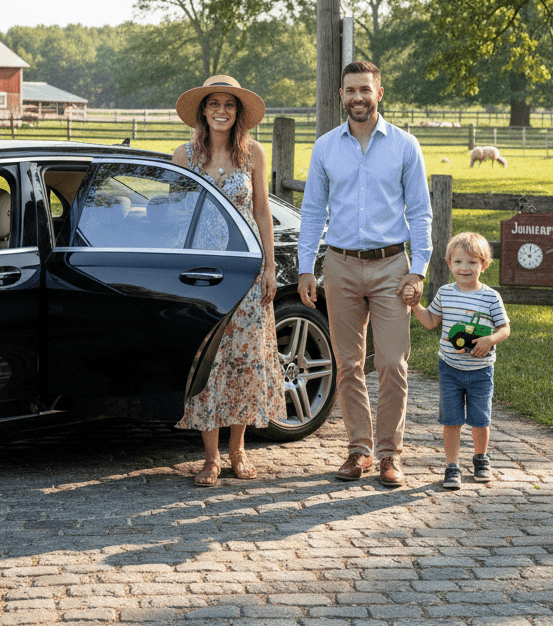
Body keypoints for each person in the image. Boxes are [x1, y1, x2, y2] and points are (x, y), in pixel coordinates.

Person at [296, 60, 431, 488]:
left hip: (393, 266)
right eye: (350, 90)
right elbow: (313, 211)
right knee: (348, 363)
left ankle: (391, 455)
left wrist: (420, 271)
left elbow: (422, 213)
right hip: (341, 266)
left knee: (393, 363)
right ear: (341, 95)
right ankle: (359, 450)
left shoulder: (406, 146)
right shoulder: (325, 147)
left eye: (365, 90)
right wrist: (305, 268)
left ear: (379, 93)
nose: (358, 97)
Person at [172, 75, 285, 487]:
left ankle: (238, 448)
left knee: (244, 360)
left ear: (238, 113)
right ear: (203, 110)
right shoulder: (183, 155)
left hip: (245, 270)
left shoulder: (253, 152)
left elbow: (261, 213)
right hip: (201, 274)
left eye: (229, 105)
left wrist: (269, 267)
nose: (221, 111)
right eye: (214, 103)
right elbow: (178, 216)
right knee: (207, 360)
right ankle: (210, 457)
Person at [410, 231, 511, 489]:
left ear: (484, 265)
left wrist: (490, 340)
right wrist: (414, 305)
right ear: (449, 264)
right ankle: (452, 466)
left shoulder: (490, 297)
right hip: (450, 369)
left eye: (472, 262)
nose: (464, 268)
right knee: (451, 420)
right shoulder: (445, 293)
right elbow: (432, 321)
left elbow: (504, 329)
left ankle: (480, 458)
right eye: (458, 262)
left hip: (480, 371)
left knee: (480, 419)